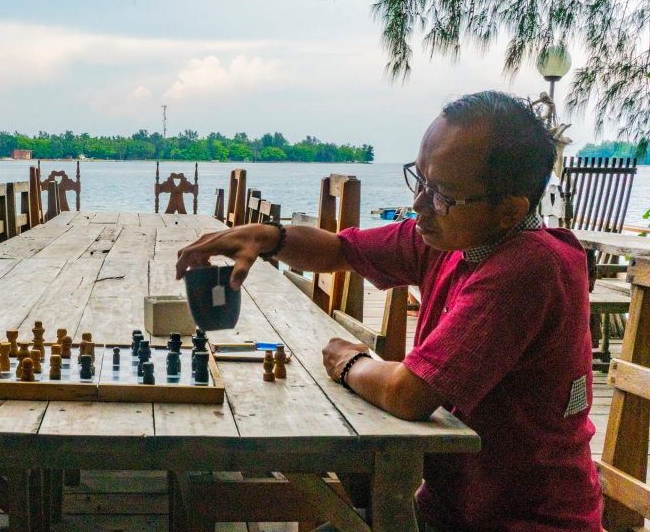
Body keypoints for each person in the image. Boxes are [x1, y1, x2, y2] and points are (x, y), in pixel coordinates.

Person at [175, 91, 601, 531]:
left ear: (509, 211)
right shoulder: (456, 237)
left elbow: (408, 393)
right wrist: (269, 238)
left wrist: (350, 362)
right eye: (419, 179)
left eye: (442, 195)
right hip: (444, 509)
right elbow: (340, 250)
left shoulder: (528, 267)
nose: (419, 205)